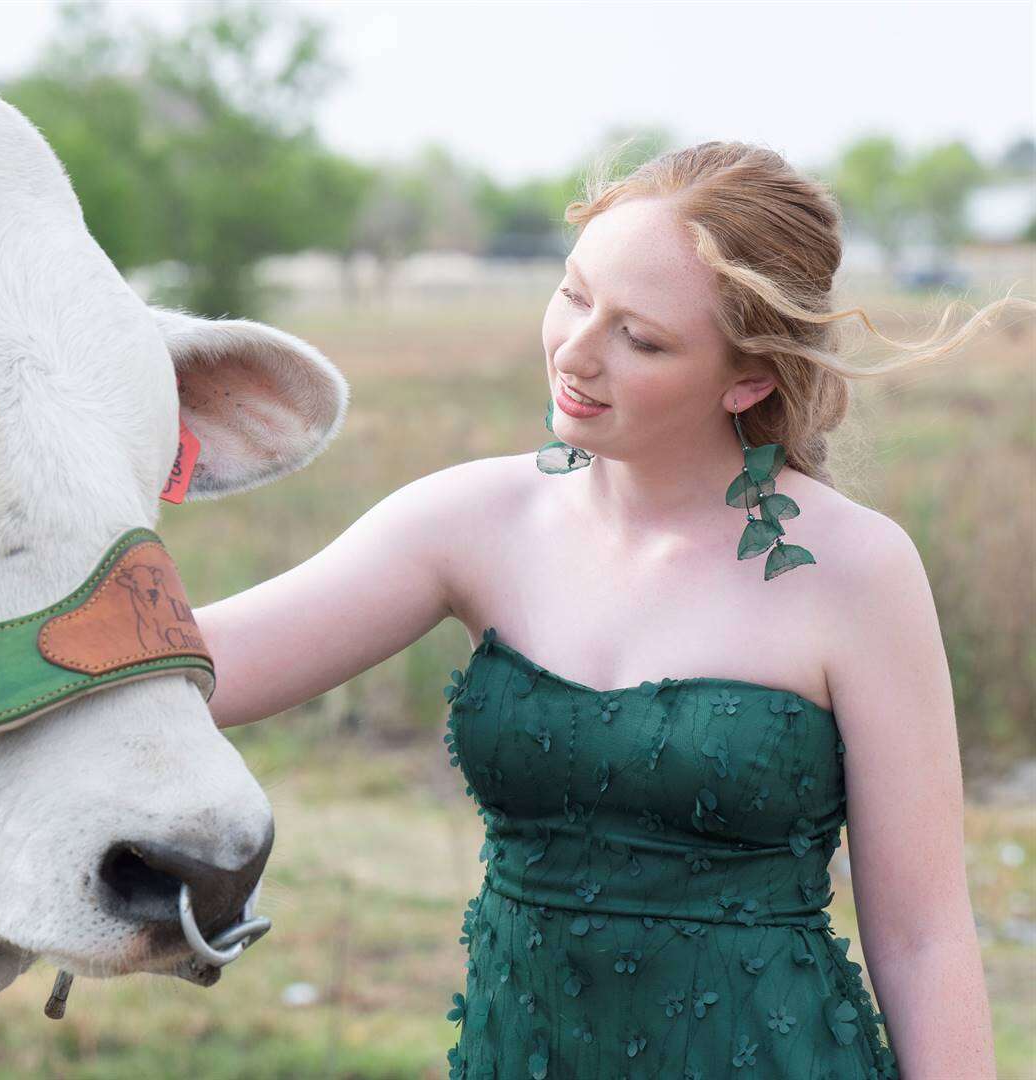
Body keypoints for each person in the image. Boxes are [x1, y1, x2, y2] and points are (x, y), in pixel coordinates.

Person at [194, 142, 1026, 1078]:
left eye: (641, 337)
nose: (575, 352)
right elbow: (203, 665)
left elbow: (922, 938)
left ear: (746, 379)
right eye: (574, 294)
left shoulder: (857, 571)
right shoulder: (469, 521)